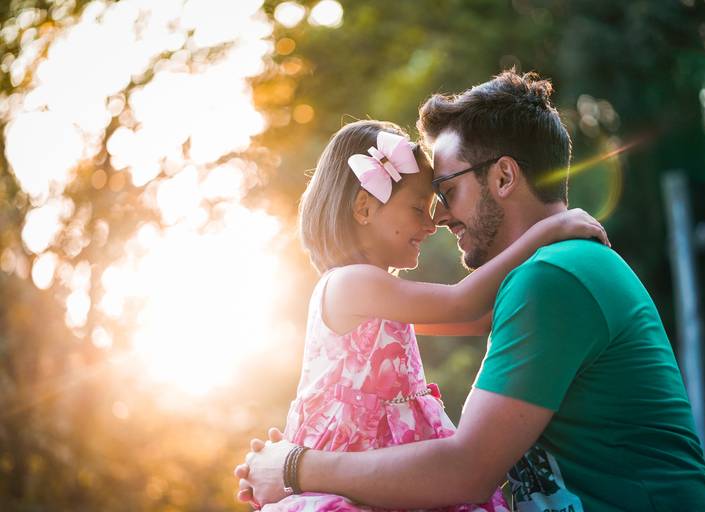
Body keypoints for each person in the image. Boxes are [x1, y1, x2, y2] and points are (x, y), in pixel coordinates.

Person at [236, 71, 705, 511]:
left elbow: (465, 470)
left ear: (504, 175)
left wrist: (294, 467)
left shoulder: (553, 275)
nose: (439, 217)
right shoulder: (543, 275)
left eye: (445, 192)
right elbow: (465, 310)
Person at [240, 117, 608, 512]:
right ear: (364, 208)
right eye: (418, 208)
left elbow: (476, 319)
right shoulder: (351, 284)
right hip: (358, 455)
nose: (432, 224)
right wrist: (550, 230)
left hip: (383, 455)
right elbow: (460, 303)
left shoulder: (375, 292)